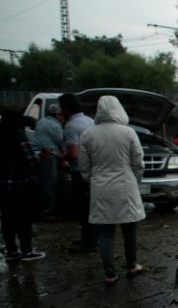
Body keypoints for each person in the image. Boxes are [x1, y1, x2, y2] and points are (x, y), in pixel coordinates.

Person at [79, 95, 146, 286]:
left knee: (105, 233)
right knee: (129, 229)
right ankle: (132, 265)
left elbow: (84, 166)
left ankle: (110, 274)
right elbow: (138, 162)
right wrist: (135, 179)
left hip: (100, 188)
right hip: (125, 185)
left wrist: (93, 179)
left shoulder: (88, 134)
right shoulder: (128, 133)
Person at [0, 109, 45, 261]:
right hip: (20, 185)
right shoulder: (19, 137)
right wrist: (41, 158)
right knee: (23, 219)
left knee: (7, 219)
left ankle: (12, 250)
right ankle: (27, 250)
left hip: (3, 187)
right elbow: (31, 161)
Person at [58, 93, 97, 253]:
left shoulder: (71, 126)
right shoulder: (90, 121)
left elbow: (74, 154)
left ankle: (88, 242)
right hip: (94, 171)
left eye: (62, 109)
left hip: (79, 172)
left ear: (67, 109)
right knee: (91, 208)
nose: (61, 112)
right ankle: (91, 238)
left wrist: (61, 157)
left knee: (83, 209)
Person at [31, 103, 65, 217]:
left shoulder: (42, 121)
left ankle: (42, 209)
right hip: (48, 155)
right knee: (49, 184)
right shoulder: (54, 125)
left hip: (39, 154)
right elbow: (61, 142)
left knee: (42, 182)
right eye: (62, 115)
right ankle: (47, 211)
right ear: (57, 115)